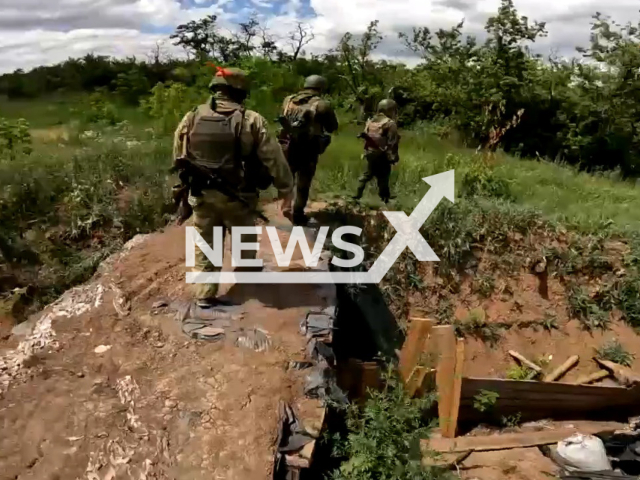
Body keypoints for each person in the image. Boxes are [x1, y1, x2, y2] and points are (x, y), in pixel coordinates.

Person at [172, 67, 293, 308]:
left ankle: (204, 293)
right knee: (244, 235)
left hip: (202, 194)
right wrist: (286, 188)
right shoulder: (251, 119)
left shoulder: (191, 116)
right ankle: (246, 272)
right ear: (240, 91)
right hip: (239, 195)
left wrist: (183, 188)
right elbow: (274, 158)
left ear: (215, 89)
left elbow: (179, 155)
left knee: (206, 241)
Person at [278, 75, 339, 225]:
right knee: (303, 182)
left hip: (287, 145)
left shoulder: (288, 100)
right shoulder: (322, 104)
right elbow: (332, 127)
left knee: (288, 178)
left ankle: (285, 206)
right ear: (321, 87)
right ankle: (298, 214)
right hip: (308, 147)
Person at [353, 99, 400, 204]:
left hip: (370, 152)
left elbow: (366, 135)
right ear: (390, 110)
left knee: (367, 174)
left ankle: (356, 195)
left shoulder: (370, 121)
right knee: (383, 176)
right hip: (382, 154)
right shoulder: (390, 124)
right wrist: (394, 157)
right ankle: (385, 199)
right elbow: (392, 142)